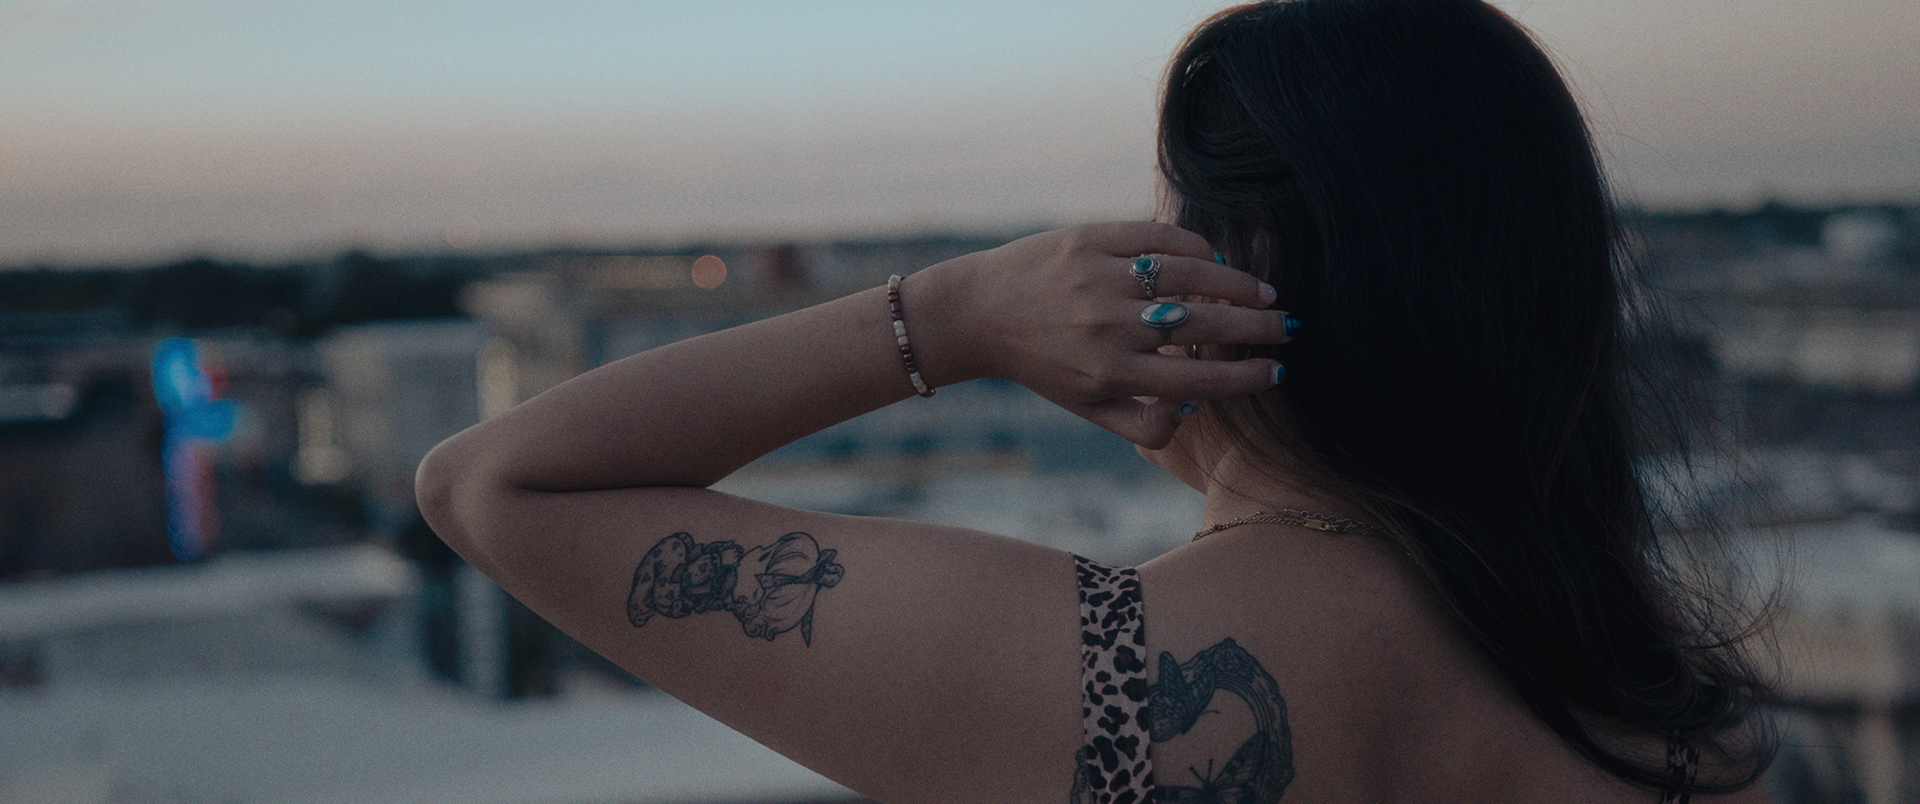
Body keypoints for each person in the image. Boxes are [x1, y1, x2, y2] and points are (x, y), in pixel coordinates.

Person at [415, 0, 1776, 801]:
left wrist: (946, 318)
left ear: (1236, 272)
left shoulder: (1119, 680)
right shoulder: (1682, 716)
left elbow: (492, 485)